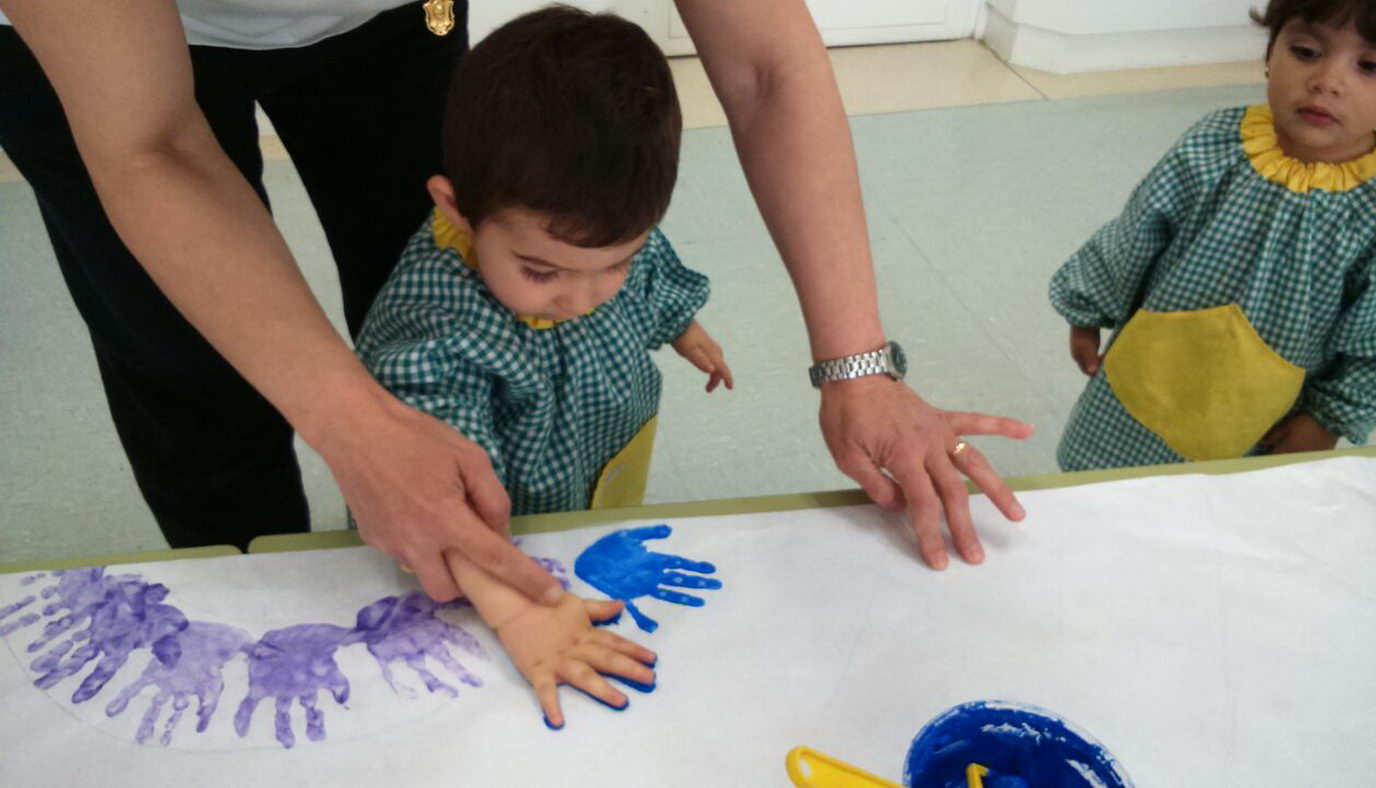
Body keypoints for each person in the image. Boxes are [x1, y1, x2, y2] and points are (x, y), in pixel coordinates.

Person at [0, 0, 1030, 605]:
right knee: (194, 375)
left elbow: (763, 62)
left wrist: (855, 362)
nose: (581, 296)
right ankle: (252, 598)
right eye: (548, 276)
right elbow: (150, 146)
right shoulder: (431, 336)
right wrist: (357, 421)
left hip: (386, 22)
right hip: (90, 55)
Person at [358, 7, 731, 517]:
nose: (582, 300)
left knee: (599, 511)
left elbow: (650, 270)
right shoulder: (437, 325)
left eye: (616, 264)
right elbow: (440, 464)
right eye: (540, 271)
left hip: (599, 445)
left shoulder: (604, 233)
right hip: (504, 516)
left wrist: (682, 325)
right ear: (457, 208)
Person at [1050, 0, 1376, 472]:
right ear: (1269, 52)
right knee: (1099, 494)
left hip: (1264, 420)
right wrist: (1087, 306)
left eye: (1371, 66)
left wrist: (1329, 418)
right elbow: (1137, 232)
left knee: (1218, 517)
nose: (1327, 82)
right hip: (1145, 382)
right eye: (1306, 51)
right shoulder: (1213, 143)